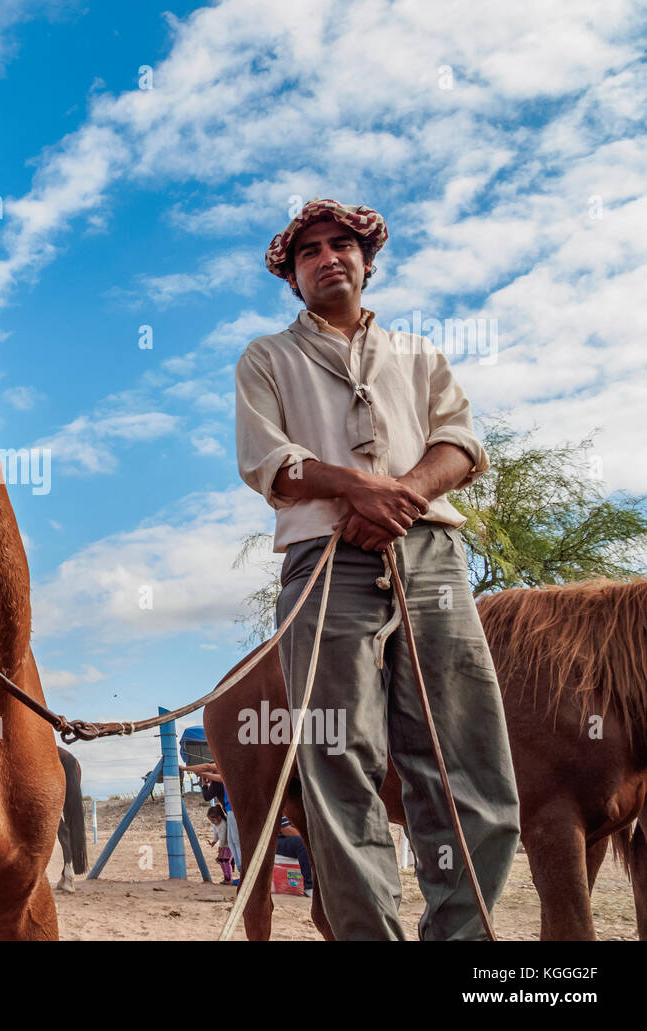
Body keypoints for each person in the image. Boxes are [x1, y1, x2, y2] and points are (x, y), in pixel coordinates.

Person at [234, 200, 520, 940]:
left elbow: (459, 444)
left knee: (469, 760)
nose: (328, 257)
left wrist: (402, 497)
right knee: (338, 764)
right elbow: (270, 464)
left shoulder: (420, 354)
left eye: (342, 245)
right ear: (293, 278)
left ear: (366, 261)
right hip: (324, 561)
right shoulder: (267, 359)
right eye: (309, 253)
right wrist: (356, 489)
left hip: (430, 557)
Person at [275, 816, 313, 895]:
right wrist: (310, 837)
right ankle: (310, 886)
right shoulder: (283, 806)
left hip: (292, 838)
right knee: (302, 842)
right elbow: (286, 830)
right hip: (276, 840)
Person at [207, 803, 235, 883]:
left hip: (228, 847)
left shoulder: (223, 824)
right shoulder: (218, 824)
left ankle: (229, 878)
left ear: (219, 817)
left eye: (213, 820)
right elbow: (216, 834)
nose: (212, 822)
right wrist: (213, 842)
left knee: (225, 862)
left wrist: (220, 850)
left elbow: (222, 839)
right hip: (224, 847)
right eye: (210, 821)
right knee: (222, 862)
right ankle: (226, 878)